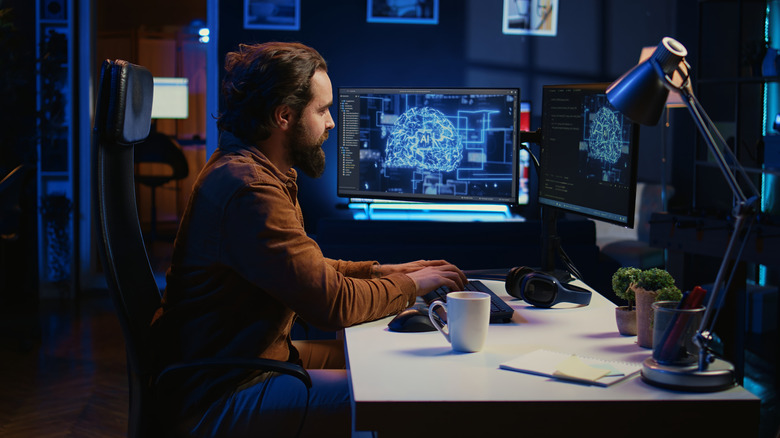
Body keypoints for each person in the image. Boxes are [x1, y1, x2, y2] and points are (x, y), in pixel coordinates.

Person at [149, 41, 467, 437]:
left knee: (388, 360)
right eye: (322, 110)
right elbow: (330, 304)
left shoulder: (254, 172)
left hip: (247, 362)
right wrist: (409, 286)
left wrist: (381, 272)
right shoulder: (249, 191)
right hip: (222, 392)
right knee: (402, 393)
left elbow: (304, 270)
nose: (332, 122)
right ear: (284, 116)